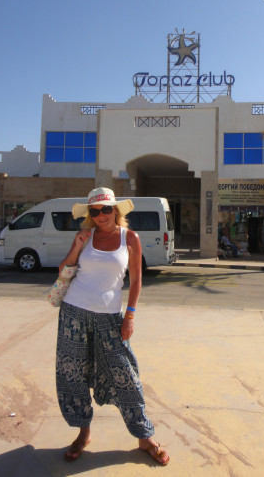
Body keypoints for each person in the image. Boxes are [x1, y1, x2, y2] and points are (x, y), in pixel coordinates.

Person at [56, 187, 170, 465]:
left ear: (116, 210)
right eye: (95, 211)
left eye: (106, 209)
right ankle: (83, 434)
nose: (101, 215)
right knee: (74, 376)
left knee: (126, 377)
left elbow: (137, 279)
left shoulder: (129, 238)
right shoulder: (84, 236)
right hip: (73, 313)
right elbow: (63, 271)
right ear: (90, 214)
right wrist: (76, 246)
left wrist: (130, 315)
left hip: (109, 318)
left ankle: (144, 437)